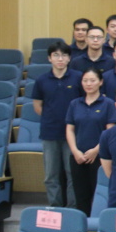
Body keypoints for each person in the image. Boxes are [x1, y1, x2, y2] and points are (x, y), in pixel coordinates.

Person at [33, 40, 82, 208]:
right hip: (50, 133)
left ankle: (72, 209)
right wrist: (52, 117)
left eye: (64, 55)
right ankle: (55, 207)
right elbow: (37, 106)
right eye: (56, 55)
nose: (60, 59)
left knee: (72, 174)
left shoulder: (78, 78)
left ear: (69, 58)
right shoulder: (42, 80)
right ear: (49, 58)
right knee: (51, 175)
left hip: (73, 134)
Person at [64, 68, 116, 214]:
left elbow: (110, 131)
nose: (88, 84)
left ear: (100, 82)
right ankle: (83, 223)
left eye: (92, 80)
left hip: (100, 156)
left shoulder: (108, 104)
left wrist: (95, 150)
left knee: (100, 195)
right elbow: (70, 129)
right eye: (85, 80)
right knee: (80, 196)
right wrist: (75, 151)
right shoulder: (75, 104)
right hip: (78, 157)